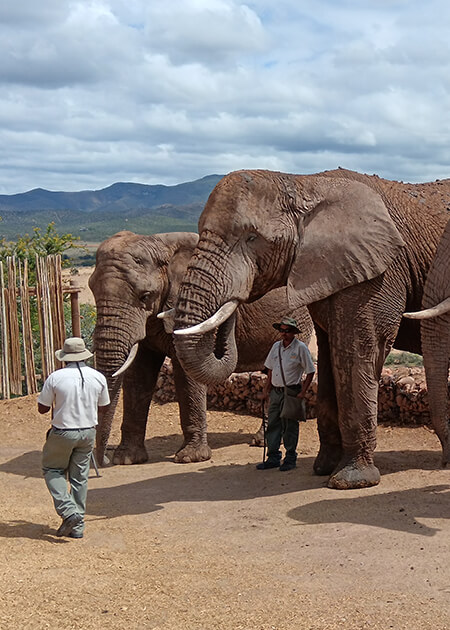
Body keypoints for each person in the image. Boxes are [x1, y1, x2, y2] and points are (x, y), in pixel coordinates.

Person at [38, 337, 110, 538]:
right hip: (88, 432)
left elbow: (42, 409)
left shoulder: (56, 377)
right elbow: (104, 407)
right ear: (84, 355)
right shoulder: (97, 377)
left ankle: (69, 512)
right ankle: (77, 527)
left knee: (52, 469)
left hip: (63, 431)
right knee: (80, 478)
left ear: (65, 357)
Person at [257, 317, 315, 471]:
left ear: (294, 332)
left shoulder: (300, 348)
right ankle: (273, 457)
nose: (284, 334)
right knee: (273, 423)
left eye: (287, 331)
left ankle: (290, 457)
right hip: (276, 391)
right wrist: (266, 390)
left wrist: (303, 392)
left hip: (291, 391)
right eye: (282, 330)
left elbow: (310, 371)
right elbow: (270, 369)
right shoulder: (276, 347)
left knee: (289, 425)